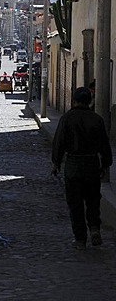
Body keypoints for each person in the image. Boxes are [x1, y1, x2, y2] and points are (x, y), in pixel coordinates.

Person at [52, 87, 113, 250]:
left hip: (73, 166)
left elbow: (59, 143)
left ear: (74, 100)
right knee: (93, 200)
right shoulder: (97, 119)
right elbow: (104, 146)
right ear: (89, 101)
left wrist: (56, 162)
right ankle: (94, 228)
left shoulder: (67, 119)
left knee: (75, 204)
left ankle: (80, 238)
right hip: (92, 165)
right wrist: (105, 164)